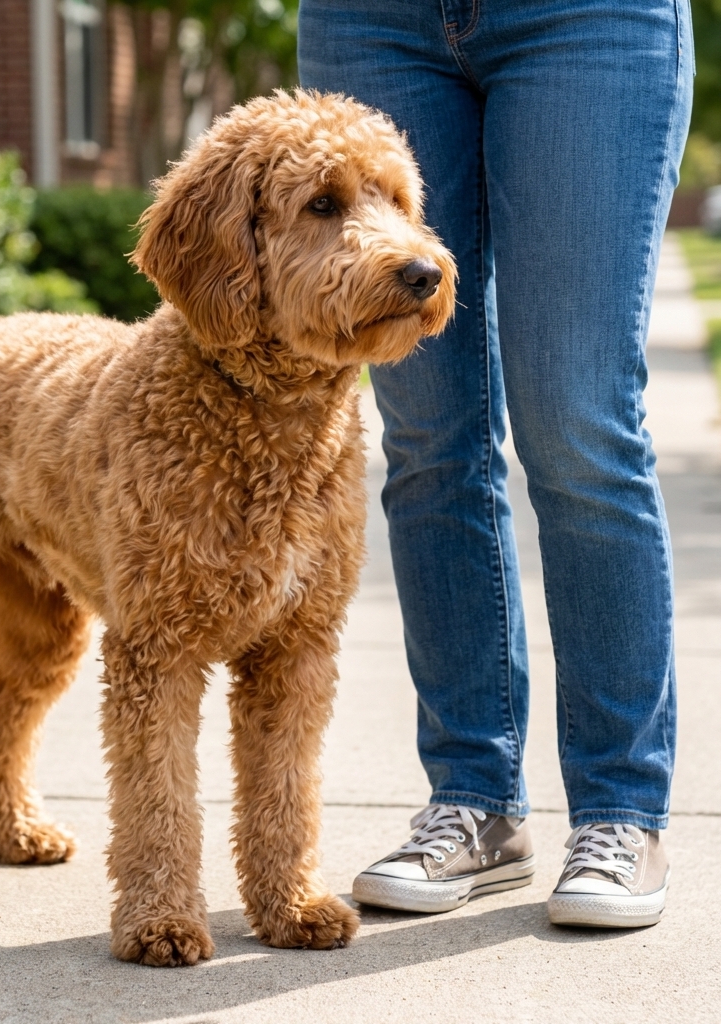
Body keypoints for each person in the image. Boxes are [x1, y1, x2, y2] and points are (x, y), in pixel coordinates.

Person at [299, 0, 692, 928]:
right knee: (430, 437)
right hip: (373, 21)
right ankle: (476, 803)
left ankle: (619, 812)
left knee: (578, 424)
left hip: (587, 18)